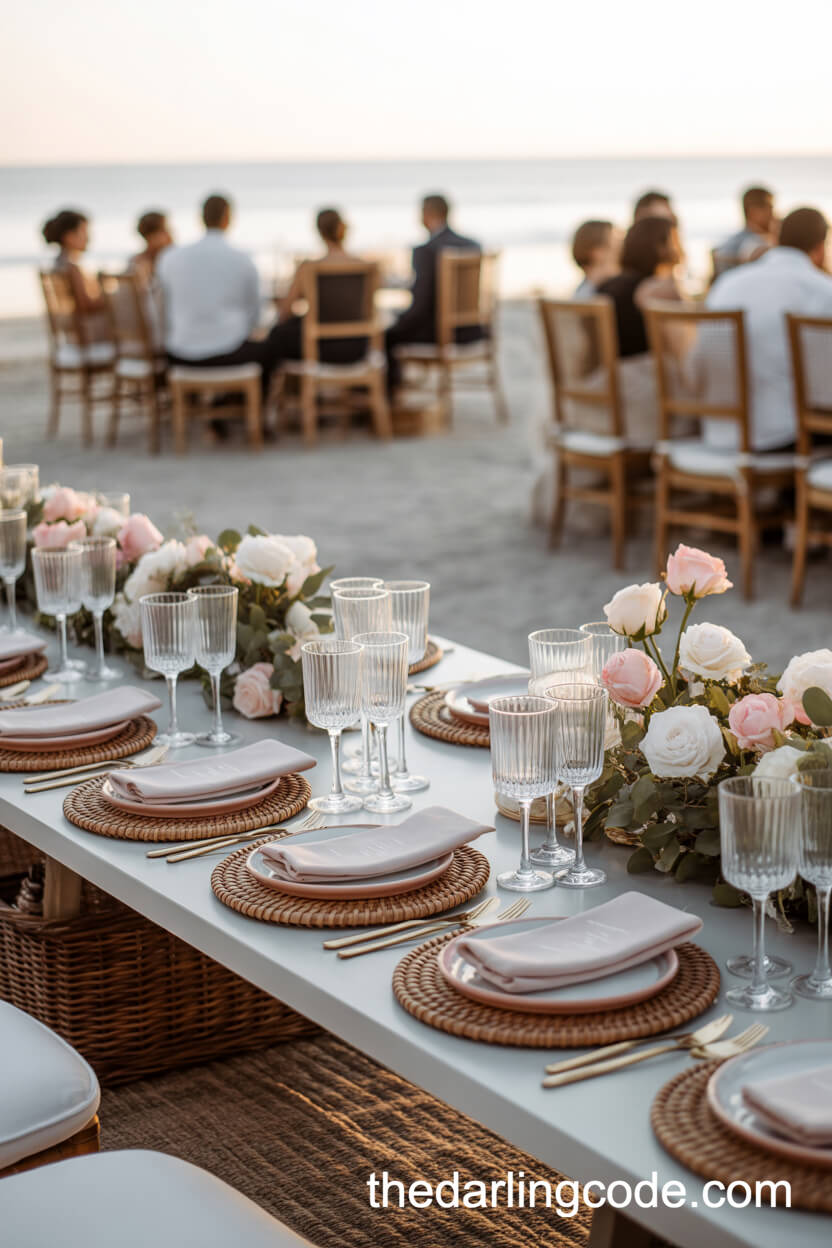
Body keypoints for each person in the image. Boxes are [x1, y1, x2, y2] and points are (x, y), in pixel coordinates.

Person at [703, 207, 832, 452]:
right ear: (820, 248)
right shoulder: (821, 290)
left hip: (720, 431)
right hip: (783, 435)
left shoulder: (726, 284)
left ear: (776, 240)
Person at [157, 193, 279, 396]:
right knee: (273, 347)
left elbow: (161, 309)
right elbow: (257, 315)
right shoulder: (243, 259)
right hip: (229, 354)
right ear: (228, 218)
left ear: (201, 218)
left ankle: (213, 404)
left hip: (179, 355)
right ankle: (238, 404)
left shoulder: (170, 258)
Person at [385, 193, 482, 392]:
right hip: (472, 332)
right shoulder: (472, 246)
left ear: (427, 214)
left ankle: (389, 396)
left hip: (440, 333)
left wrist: (399, 321)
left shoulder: (426, 251)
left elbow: (420, 305)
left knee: (385, 336)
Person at [268, 207, 371, 367]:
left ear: (320, 233)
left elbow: (285, 312)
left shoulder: (308, 269)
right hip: (358, 347)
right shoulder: (365, 267)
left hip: (320, 348)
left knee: (277, 335)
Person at [41, 208, 109, 341]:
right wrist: (106, 293)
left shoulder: (58, 264)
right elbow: (86, 306)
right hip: (89, 332)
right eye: (84, 232)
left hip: (72, 332)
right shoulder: (72, 267)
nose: (88, 238)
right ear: (69, 237)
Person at [712, 186, 777, 278]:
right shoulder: (750, 244)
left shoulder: (730, 243)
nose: (773, 214)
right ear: (753, 211)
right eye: (770, 208)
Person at [571, 220, 621, 297]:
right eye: (616, 247)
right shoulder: (586, 295)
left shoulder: (581, 292)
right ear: (596, 252)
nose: (621, 253)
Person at [130, 210, 173, 282]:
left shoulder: (172, 258)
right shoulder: (138, 264)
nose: (170, 235)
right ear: (150, 237)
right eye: (165, 230)